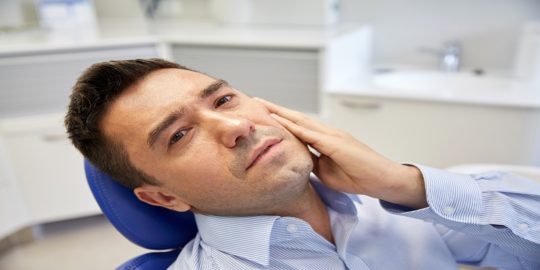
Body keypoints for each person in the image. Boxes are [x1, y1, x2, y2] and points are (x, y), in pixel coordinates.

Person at [65, 58, 540, 270]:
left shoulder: (393, 205)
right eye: (180, 134)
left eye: (225, 99)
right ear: (164, 197)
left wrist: (403, 184)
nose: (235, 127)